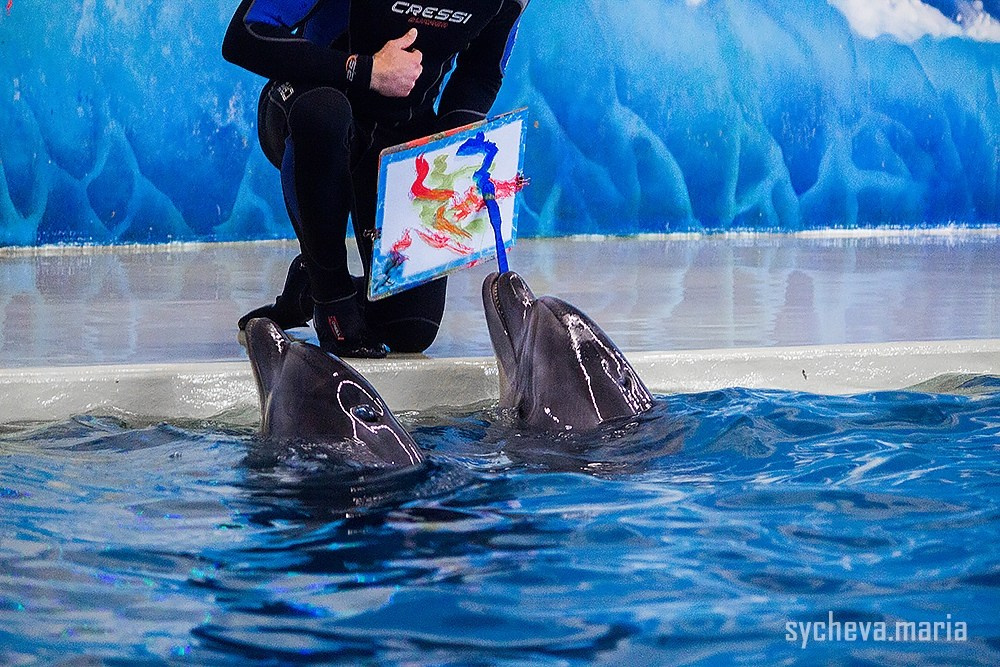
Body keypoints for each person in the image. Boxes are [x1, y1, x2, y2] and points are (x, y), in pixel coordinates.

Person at [222, 0, 528, 358]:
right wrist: (364, 70)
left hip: (398, 131)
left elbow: (481, 71)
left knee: (411, 329)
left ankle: (308, 284)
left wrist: (453, 148)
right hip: (309, 109)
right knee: (323, 113)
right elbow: (245, 35)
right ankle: (331, 296)